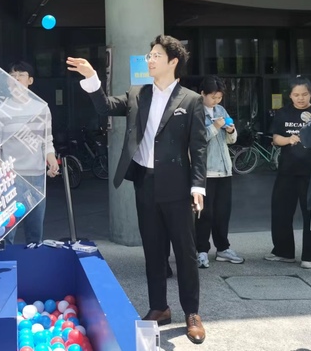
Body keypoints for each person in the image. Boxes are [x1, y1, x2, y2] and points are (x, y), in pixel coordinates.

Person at [67, 35, 208, 345]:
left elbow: (199, 146)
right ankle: (159, 307)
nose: (150, 59)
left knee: (185, 252)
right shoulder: (137, 94)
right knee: (153, 249)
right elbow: (104, 107)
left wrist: (198, 186)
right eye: (149, 55)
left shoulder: (190, 100)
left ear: (173, 62)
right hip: (145, 182)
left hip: (178, 187)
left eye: (156, 55)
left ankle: (192, 313)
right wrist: (91, 77)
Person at [0, 61, 58, 245]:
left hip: (36, 176)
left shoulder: (41, 108)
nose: (16, 79)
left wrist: (51, 160)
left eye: (21, 75)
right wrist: (0, 173)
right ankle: (6, 261)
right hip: (10, 177)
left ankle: (34, 260)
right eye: (12, 76)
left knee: (35, 230)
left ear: (30, 80)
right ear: (7, 81)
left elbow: (47, 141)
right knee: (6, 231)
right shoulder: (0, 110)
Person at [195, 76, 243, 268]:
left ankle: (223, 248)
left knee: (223, 212)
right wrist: (214, 127)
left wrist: (231, 131)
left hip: (224, 169)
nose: (216, 101)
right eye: (213, 97)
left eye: (219, 97)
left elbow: (231, 140)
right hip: (205, 171)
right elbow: (197, 140)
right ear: (203, 94)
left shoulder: (221, 110)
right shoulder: (196, 111)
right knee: (204, 213)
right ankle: (201, 250)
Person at [265, 76, 311, 269]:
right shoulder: (283, 113)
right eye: (296, 95)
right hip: (287, 171)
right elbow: (276, 138)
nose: (301, 98)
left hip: (310, 173)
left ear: (310, 94)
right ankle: (284, 252)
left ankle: (309, 257)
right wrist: (289, 139)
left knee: (310, 215)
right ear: (290, 95)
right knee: (281, 211)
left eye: (304, 94)